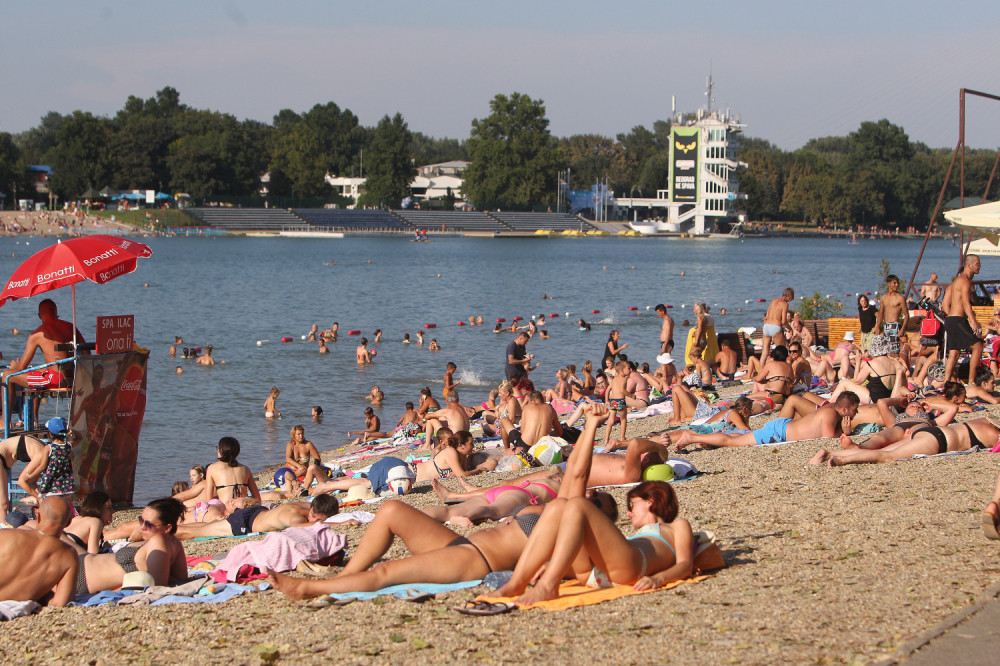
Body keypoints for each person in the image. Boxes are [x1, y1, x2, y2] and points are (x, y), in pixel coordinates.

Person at [266, 404, 618, 600]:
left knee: (387, 573)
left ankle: (311, 590)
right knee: (390, 510)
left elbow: (577, 477)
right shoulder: (555, 513)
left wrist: (592, 427)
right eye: (593, 493)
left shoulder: (573, 537)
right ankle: (347, 577)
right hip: (462, 544)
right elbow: (572, 477)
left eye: (595, 500)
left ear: (597, 520)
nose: (588, 494)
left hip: (475, 561)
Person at [2, 298, 88, 429]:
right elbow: (86, 354)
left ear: (39, 315)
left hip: (55, 379)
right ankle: (34, 419)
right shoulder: (71, 326)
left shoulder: (37, 334)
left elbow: (22, 367)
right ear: (55, 311)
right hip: (75, 378)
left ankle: (5, 421)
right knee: (38, 372)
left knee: (8, 375)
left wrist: (14, 367)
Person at [76, 498, 188, 596]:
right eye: (141, 521)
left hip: (81, 577)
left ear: (167, 528)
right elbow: (181, 580)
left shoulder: (158, 542)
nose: (142, 527)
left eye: (148, 524)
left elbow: (157, 588)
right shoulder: (175, 543)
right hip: (83, 567)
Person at [673, 392, 860, 450]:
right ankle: (692, 437)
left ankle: (703, 439)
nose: (856, 413)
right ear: (844, 410)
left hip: (780, 428)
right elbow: (827, 438)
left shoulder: (829, 411)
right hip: (777, 433)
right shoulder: (831, 414)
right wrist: (846, 432)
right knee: (733, 442)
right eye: (854, 410)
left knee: (741, 435)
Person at [810, 417, 999, 466]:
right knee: (887, 456)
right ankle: (843, 460)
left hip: (930, 431)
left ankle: (829, 453)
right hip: (940, 441)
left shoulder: (985, 421)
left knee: (887, 450)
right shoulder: (994, 435)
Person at [0, 496, 76, 606]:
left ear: (39, 516)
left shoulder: (6, 535)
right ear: (69, 522)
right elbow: (60, 603)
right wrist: (42, 594)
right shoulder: (69, 556)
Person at [174, 495, 339, 539]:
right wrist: (341, 523)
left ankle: (171, 528)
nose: (313, 520)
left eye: (318, 520)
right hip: (244, 523)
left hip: (254, 512)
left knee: (205, 527)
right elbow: (299, 526)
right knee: (200, 533)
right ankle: (168, 531)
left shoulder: (305, 505)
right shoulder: (296, 517)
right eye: (313, 517)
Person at [942, 255, 984, 384]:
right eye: (977, 264)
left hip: (952, 319)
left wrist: (952, 318)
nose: (980, 266)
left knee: (954, 353)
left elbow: (944, 304)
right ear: (969, 265)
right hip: (958, 320)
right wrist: (972, 321)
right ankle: (971, 382)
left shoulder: (957, 281)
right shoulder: (965, 280)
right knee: (978, 347)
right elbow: (966, 303)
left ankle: (946, 382)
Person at [0, 433, 48, 516]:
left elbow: (32, 483)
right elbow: (22, 482)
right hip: (2, 457)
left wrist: (40, 498)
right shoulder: (42, 456)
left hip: (4, 457)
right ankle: (2, 527)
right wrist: (41, 499)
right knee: (3, 504)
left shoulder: (46, 452)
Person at [203, 437, 262, 503]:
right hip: (243, 507)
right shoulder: (245, 469)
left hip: (226, 508)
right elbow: (257, 498)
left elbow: (209, 500)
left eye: (218, 448)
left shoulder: (212, 468)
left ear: (221, 450)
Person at [874, 274, 909, 358]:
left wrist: (902, 329)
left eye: (897, 283)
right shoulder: (883, 298)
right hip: (886, 326)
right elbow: (880, 314)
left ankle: (896, 368)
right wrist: (877, 327)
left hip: (895, 325)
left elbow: (907, 315)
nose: (896, 285)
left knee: (895, 351)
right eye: (894, 283)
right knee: (886, 350)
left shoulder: (900, 298)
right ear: (888, 284)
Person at [760, 288, 794, 365]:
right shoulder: (785, 304)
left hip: (766, 326)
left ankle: (760, 373)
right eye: (791, 298)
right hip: (775, 327)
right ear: (788, 295)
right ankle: (782, 372)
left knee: (764, 353)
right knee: (782, 351)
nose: (790, 301)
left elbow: (766, 317)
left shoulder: (773, 300)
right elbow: (783, 321)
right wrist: (790, 329)